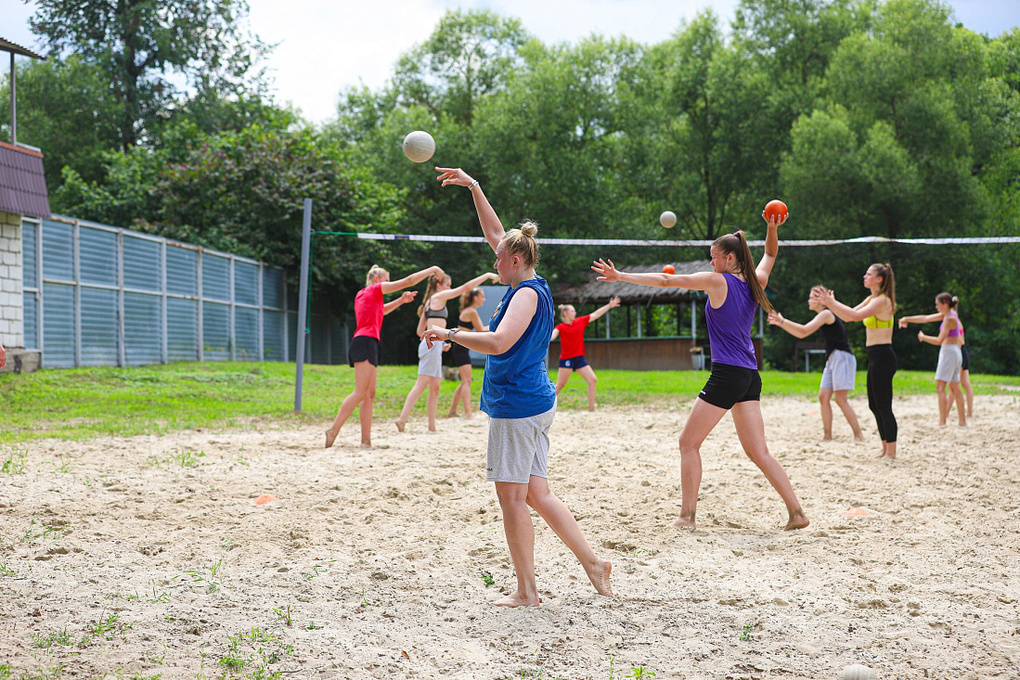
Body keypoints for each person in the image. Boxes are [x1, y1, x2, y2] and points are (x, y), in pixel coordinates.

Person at [422, 166, 613, 607]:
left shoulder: (525, 294)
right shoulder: (530, 281)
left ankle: (527, 592)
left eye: (498, 257)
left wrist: (449, 333)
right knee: (537, 493)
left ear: (516, 260)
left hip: (518, 405)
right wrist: (473, 186)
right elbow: (494, 230)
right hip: (532, 400)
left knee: (513, 499)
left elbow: (499, 342)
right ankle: (594, 563)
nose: (493, 261)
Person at [592, 214, 810, 532]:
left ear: (729, 258)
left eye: (714, 258)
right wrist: (772, 229)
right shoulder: (755, 281)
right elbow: (771, 254)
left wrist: (620, 275)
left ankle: (687, 517)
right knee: (759, 451)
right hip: (749, 375)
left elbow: (667, 282)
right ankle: (797, 513)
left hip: (727, 375)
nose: (711, 264)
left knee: (688, 443)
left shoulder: (719, 282)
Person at [324, 263, 444, 449]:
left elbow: (380, 311)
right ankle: (333, 430)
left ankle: (366, 441)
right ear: (377, 279)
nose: (390, 282)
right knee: (360, 392)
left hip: (367, 342)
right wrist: (432, 269)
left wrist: (400, 301)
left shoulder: (364, 295)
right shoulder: (373, 290)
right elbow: (408, 281)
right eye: (387, 279)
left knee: (369, 395)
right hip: (364, 342)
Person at [395, 270, 498, 432]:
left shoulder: (429, 301)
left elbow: (420, 330)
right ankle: (402, 420)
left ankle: (432, 426)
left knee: (435, 386)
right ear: (439, 285)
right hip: (430, 346)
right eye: (448, 285)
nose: (450, 288)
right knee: (422, 384)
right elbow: (465, 287)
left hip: (433, 345)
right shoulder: (436, 298)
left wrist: (439, 342)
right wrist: (487, 275)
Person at [813, 263, 898, 459]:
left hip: (884, 355)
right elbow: (849, 316)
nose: (864, 276)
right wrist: (830, 303)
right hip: (874, 356)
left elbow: (856, 315)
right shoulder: (872, 298)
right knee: (874, 405)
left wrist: (831, 302)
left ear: (879, 279)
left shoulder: (882, 301)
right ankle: (885, 448)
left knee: (884, 406)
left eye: (868, 274)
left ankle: (891, 452)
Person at [769, 287, 865, 442]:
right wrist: (781, 323)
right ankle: (827, 436)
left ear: (821, 300)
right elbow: (801, 334)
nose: (808, 300)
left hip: (842, 357)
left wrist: (783, 321)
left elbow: (804, 330)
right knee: (823, 397)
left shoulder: (827, 313)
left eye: (812, 297)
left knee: (841, 399)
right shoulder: (823, 315)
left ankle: (858, 435)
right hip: (833, 357)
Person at [898, 292, 967, 427]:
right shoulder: (951, 315)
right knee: (955, 389)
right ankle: (962, 422)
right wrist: (907, 318)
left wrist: (924, 337)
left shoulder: (949, 319)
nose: (936, 307)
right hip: (954, 353)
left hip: (949, 353)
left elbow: (939, 340)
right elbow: (925, 318)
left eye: (938, 304)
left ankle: (942, 422)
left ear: (945, 303)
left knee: (940, 388)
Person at [549, 297, 621, 411]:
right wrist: (546, 338)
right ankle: (545, 406)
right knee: (560, 385)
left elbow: (595, 314)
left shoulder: (580, 322)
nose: (575, 313)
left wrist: (609, 306)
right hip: (566, 360)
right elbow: (552, 335)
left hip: (578, 359)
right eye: (573, 311)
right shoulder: (561, 327)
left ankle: (591, 409)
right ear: (566, 313)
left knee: (593, 380)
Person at [446, 286, 490, 419]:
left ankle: (452, 411)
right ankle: (468, 413)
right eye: (482, 296)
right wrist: (498, 326)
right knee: (467, 381)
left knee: (466, 381)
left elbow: (474, 332)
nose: (484, 299)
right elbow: (481, 330)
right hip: (460, 348)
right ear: (475, 298)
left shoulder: (469, 311)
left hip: (461, 347)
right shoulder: (471, 311)